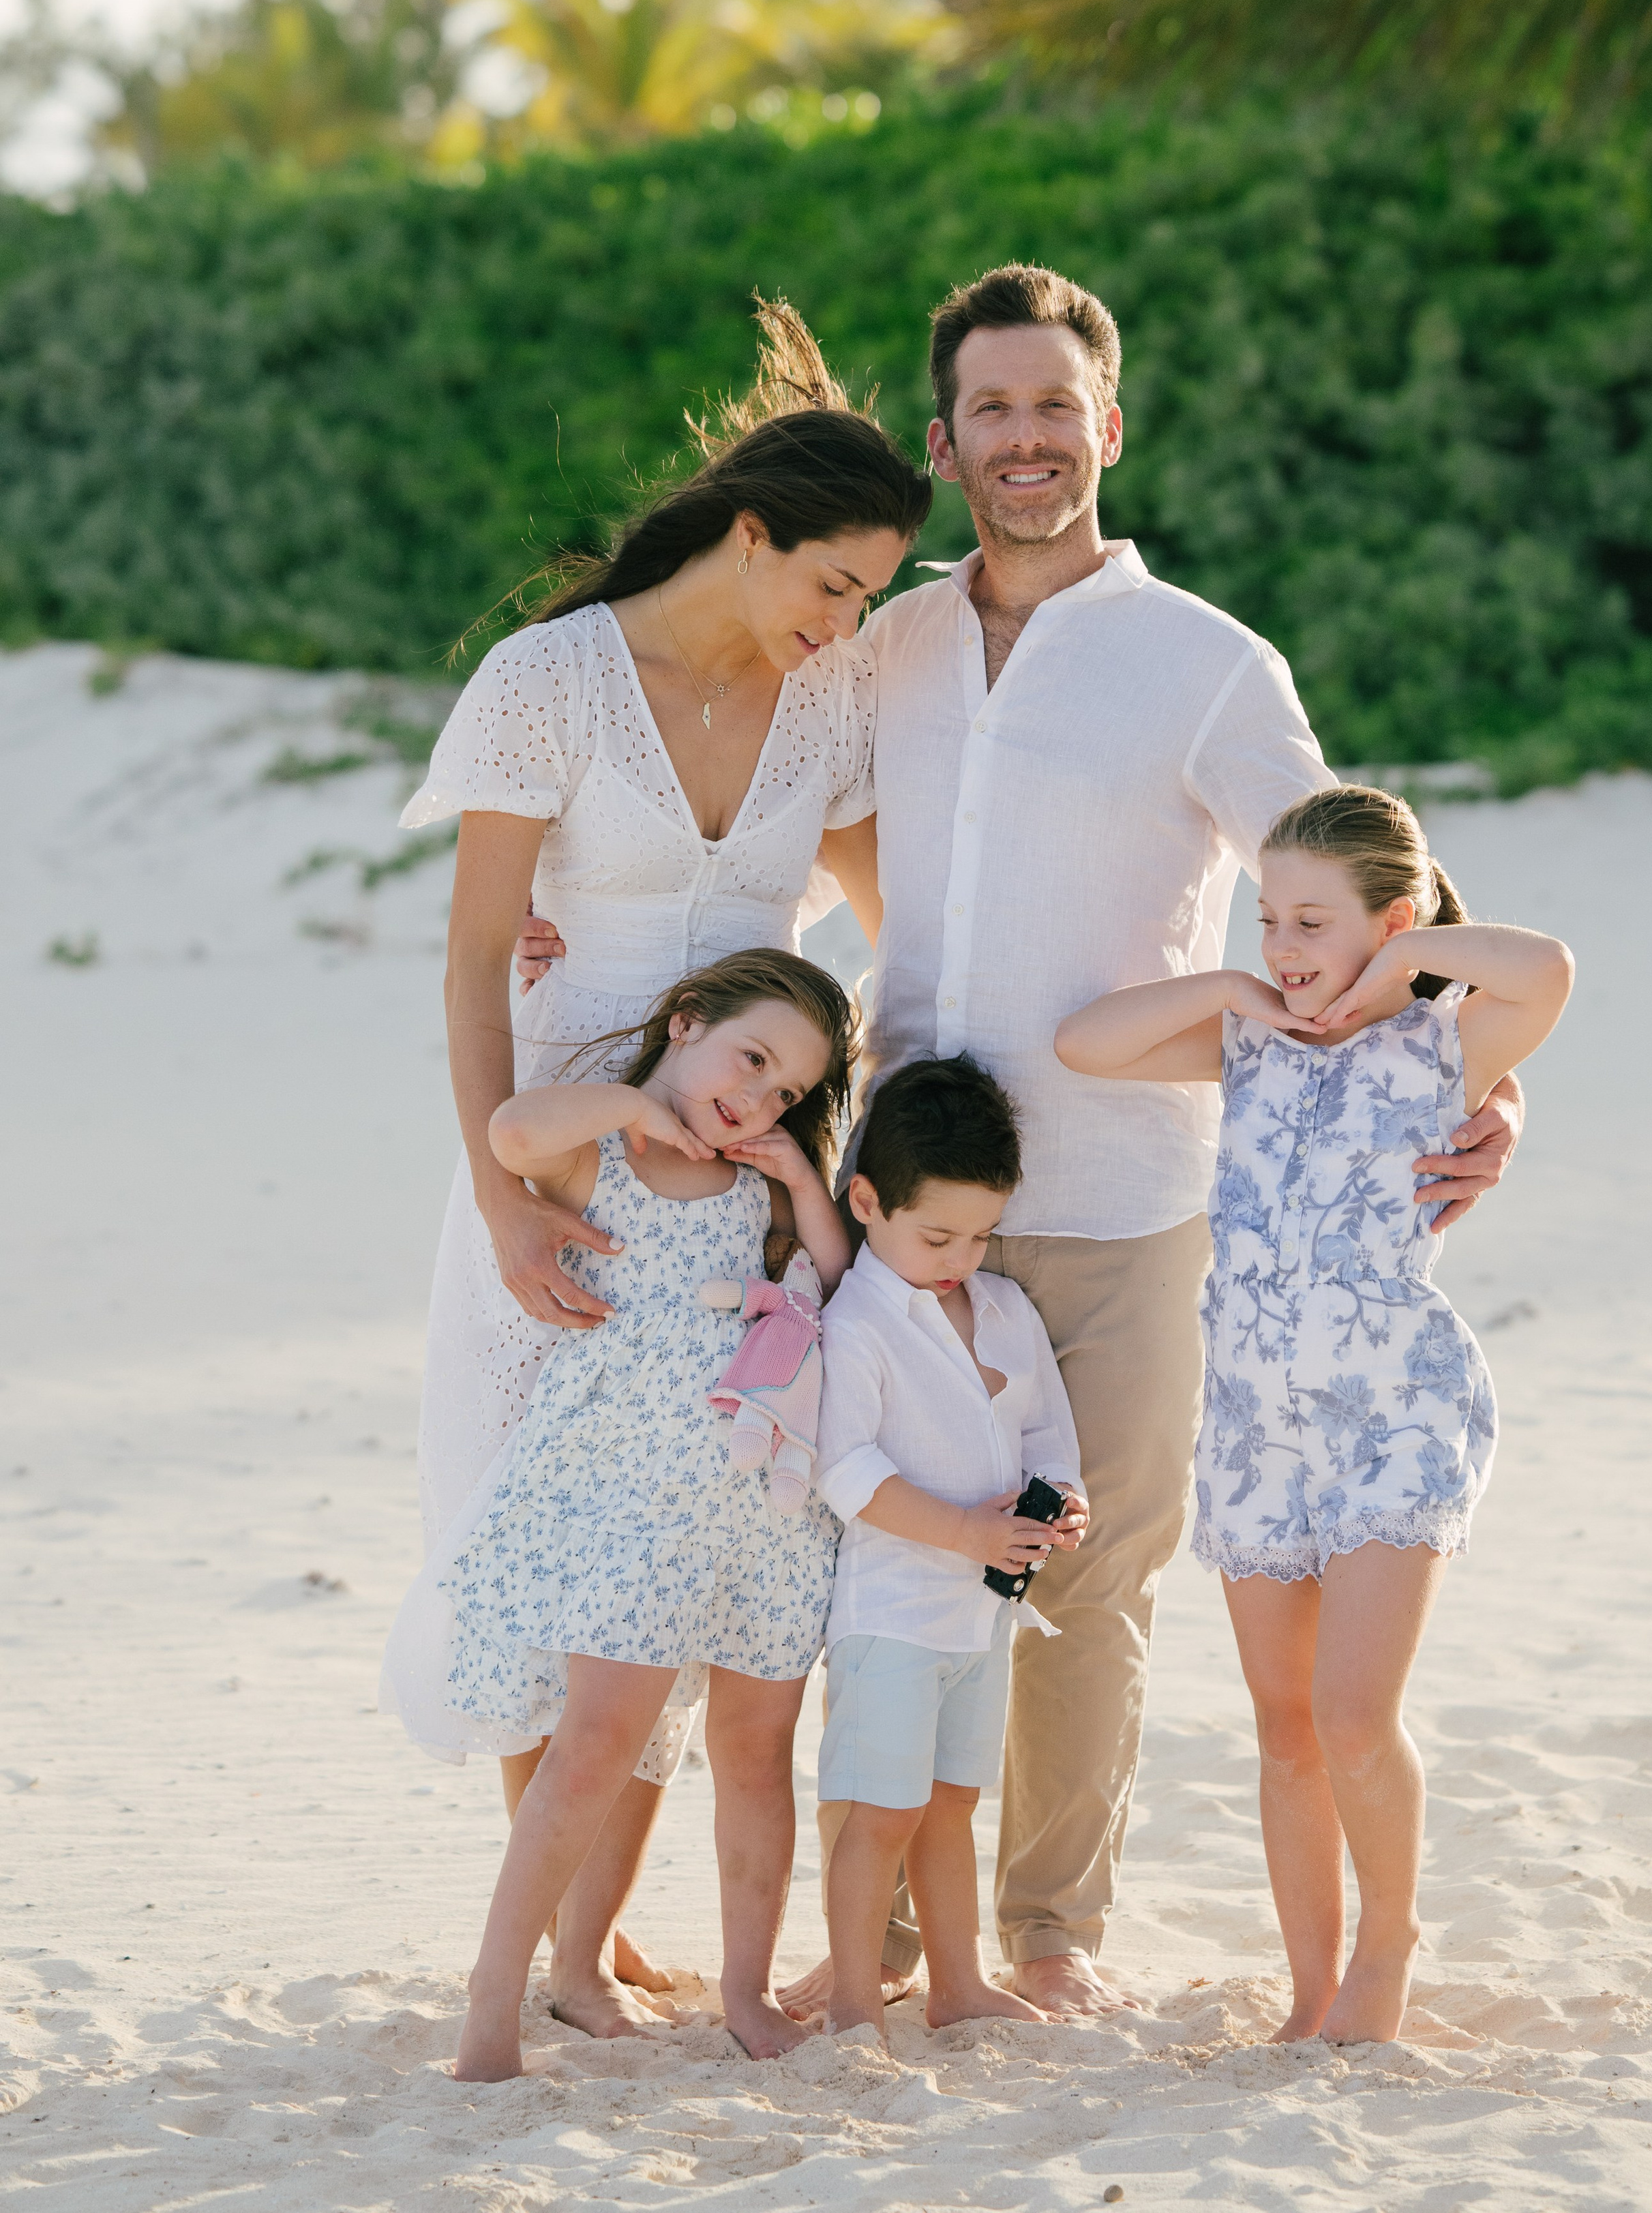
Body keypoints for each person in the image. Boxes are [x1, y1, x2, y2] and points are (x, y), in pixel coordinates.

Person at [522, 262, 1525, 2021]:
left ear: (1107, 425)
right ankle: (896, 1935)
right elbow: (757, 822)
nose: (1024, 437)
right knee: (891, 1556)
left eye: (1054, 405)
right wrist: (583, 923)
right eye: (989, 408)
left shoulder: (1206, 663)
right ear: (942, 442)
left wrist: (1480, 1082)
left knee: (1092, 1560)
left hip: (1129, 1191)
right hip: (902, 1189)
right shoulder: (884, 641)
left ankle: (1050, 1931)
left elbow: (1370, 884)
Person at [400, 300, 928, 2036]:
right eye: (831, 584)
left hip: (745, 1189)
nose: (841, 625)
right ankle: (570, 1924)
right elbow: (474, 955)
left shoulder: (824, 702)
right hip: (563, 1156)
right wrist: (503, 1201)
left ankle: (595, 1930)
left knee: (690, 1522)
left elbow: (887, 924)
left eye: (866, 600)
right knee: (543, 1522)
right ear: (751, 532)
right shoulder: (547, 682)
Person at [1056, 786, 1574, 2043]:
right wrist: (1234, 987)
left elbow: (1547, 968)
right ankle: (1309, 1987)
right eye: (1267, 917)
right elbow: (1085, 1044)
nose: (1283, 946)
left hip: (1394, 1411)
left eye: (1310, 922)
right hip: (1255, 1425)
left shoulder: (1448, 1041)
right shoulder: (1252, 1039)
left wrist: (1406, 963)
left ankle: (1387, 1949)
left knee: (1351, 1712)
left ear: (1392, 921)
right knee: (1285, 1727)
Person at [382, 949, 858, 2081]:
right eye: (751, 1058)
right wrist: (639, 1105)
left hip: (758, 1508)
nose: (759, 1096)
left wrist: (801, 1175)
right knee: (596, 1742)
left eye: (788, 1089)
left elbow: (838, 1279)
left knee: (755, 1753)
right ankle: (496, 1995)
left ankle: (740, 1990)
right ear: (685, 1021)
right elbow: (509, 1132)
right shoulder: (603, 1152)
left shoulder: (762, 1187)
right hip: (628, 1502)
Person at [812, 1056, 1086, 2038]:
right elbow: (846, 1469)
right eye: (937, 1236)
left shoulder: (1005, 1307)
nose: (961, 1257)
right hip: (892, 1614)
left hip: (983, 1614)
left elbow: (1048, 1433)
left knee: (951, 1803)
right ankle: (853, 2001)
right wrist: (967, 1530)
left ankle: (958, 1983)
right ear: (867, 1202)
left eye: (980, 1235)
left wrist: (1066, 1504)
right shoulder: (858, 1324)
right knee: (880, 1810)